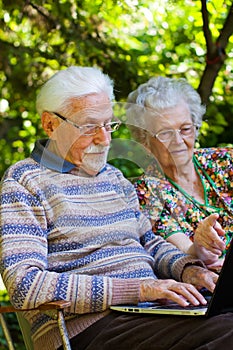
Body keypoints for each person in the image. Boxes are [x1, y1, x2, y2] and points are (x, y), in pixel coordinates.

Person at [1, 66, 233, 350]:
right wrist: (139, 290)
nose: (105, 139)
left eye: (109, 125)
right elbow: (26, 285)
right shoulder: (24, 182)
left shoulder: (115, 179)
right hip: (90, 327)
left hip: (150, 315)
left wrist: (190, 271)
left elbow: (150, 243)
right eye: (89, 127)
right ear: (50, 125)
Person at [126, 76, 233, 271]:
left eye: (185, 129)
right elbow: (184, 250)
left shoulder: (225, 161)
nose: (178, 140)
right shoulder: (145, 193)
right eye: (165, 133)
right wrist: (199, 247)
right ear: (144, 141)